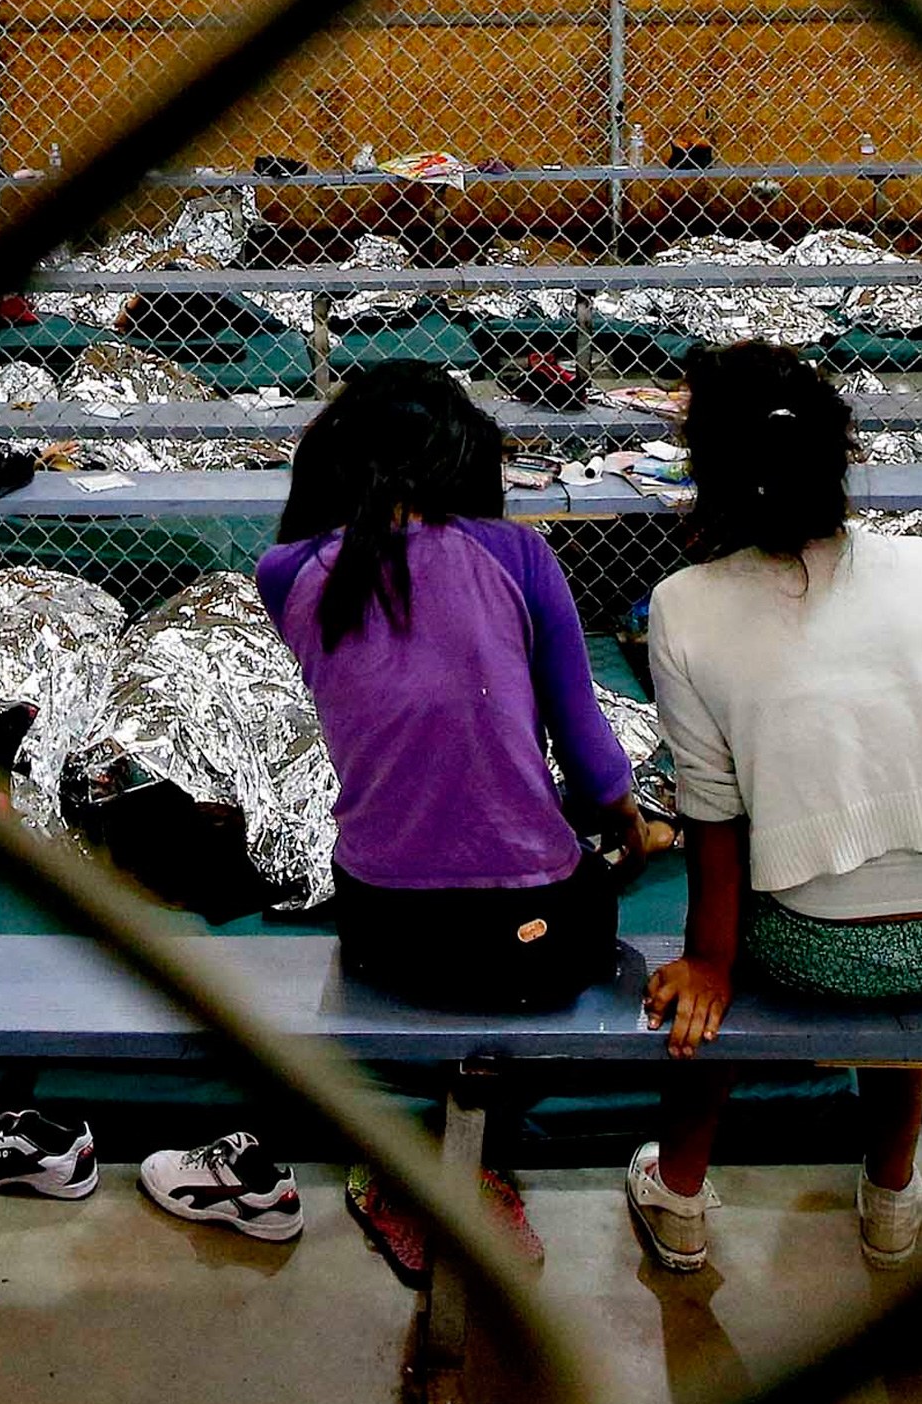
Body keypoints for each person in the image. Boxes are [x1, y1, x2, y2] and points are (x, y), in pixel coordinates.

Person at [629, 341, 922, 1276]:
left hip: (816, 948)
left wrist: (709, 964)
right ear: (839, 453)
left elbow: (713, 820)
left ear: (706, 467)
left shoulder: (682, 606)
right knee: (903, 886)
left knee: (722, 973)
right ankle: (892, 1193)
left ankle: (679, 1193)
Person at [255, 361, 669, 1015]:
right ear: (463, 464)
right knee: (587, 854)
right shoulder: (518, 554)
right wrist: (630, 822)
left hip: (382, 928)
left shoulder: (285, 571)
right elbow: (587, 748)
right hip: (532, 936)